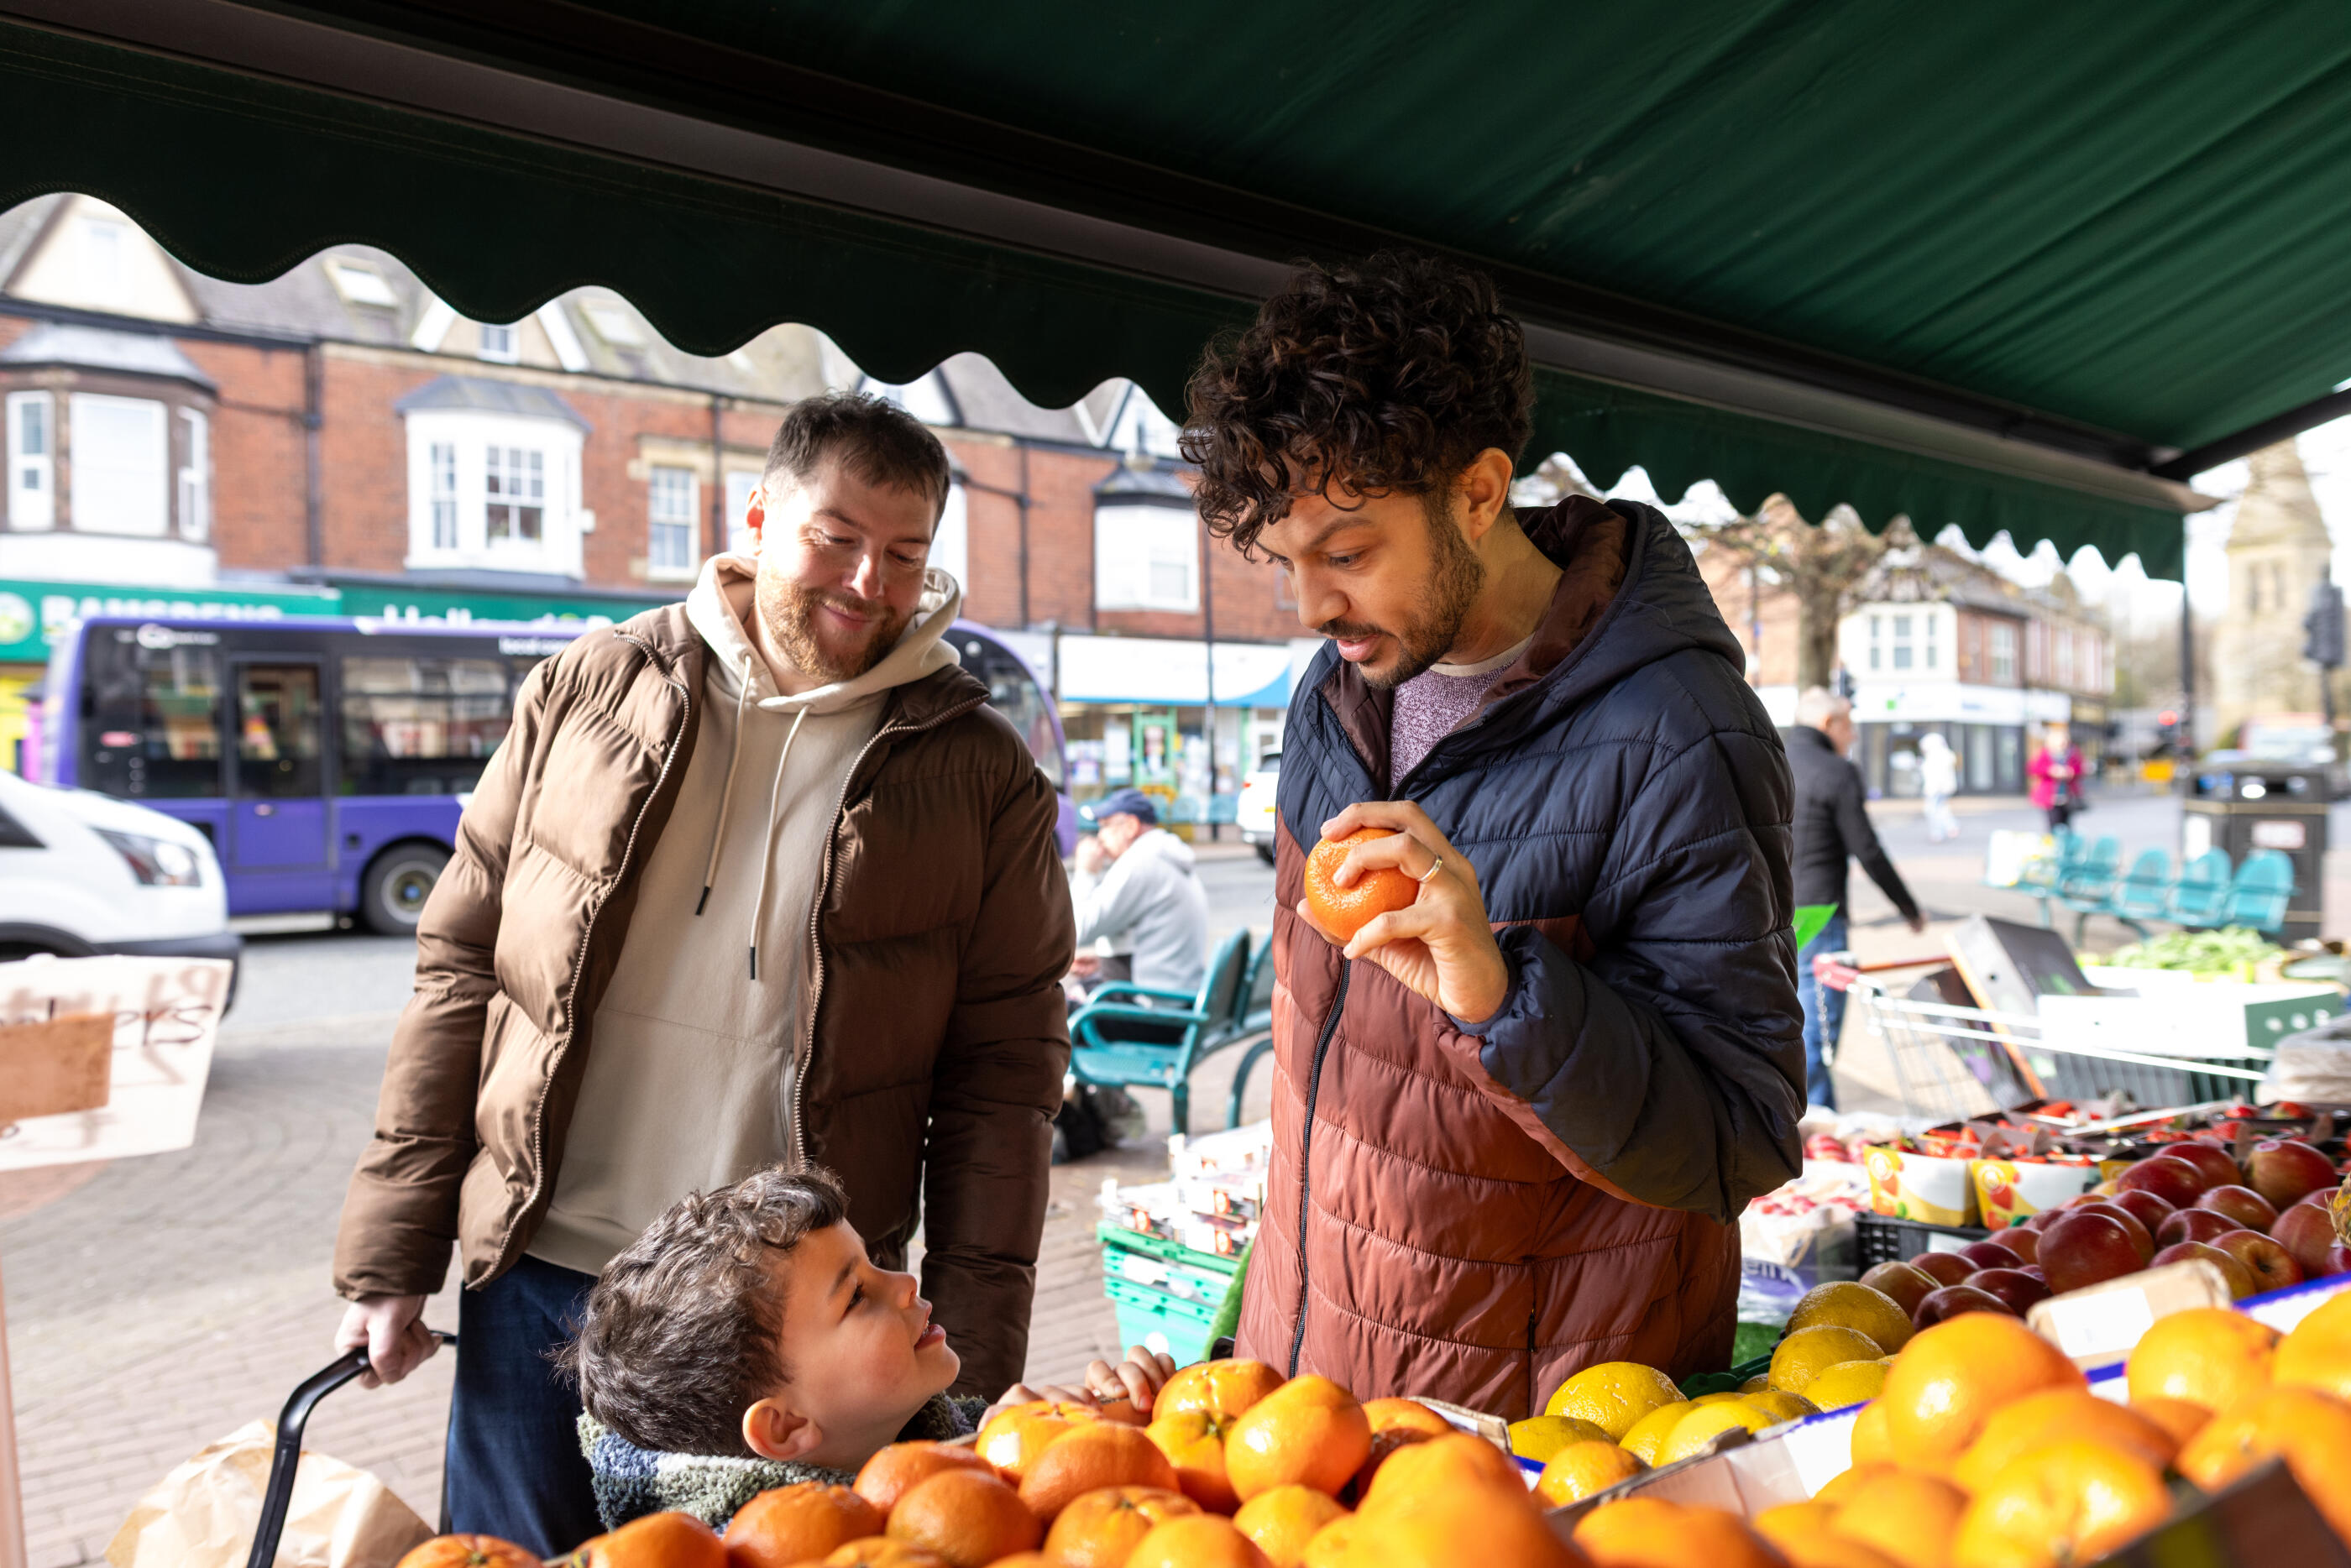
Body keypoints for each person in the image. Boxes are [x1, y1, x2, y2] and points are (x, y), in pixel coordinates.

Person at [328, 393, 1075, 1555]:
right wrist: (394, 1254)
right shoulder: (588, 688)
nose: (870, 582)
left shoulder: (982, 776)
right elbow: (462, 971)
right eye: (837, 537)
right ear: (761, 515)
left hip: (776, 1342)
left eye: (906, 554)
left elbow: (1004, 1085)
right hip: (540, 1268)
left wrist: (971, 1367)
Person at [1181, 251, 1804, 1417]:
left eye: (1349, 553)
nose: (1312, 607)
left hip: (1531, 1436)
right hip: (1309, 1395)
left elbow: (1739, 1139)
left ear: (1477, 492)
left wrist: (1499, 989)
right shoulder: (1331, 699)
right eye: (1286, 564)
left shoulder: (1683, 731)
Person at [562, 1165, 1172, 1533]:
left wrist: (1122, 1437)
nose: (905, 1285)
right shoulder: (775, 1551)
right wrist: (992, 1479)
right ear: (785, 1424)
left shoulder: (940, 1431)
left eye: (876, 1263)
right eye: (857, 1297)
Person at [1786, 687, 1927, 1111]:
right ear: (1829, 724)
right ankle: (1814, 1120)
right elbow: (1867, 849)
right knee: (1819, 1027)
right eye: (1850, 726)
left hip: (1771, 911)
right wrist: (1908, 907)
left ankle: (1796, 1118)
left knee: (1785, 1017)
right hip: (1821, 913)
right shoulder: (1836, 771)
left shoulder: (1766, 757)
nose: (1854, 737)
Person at [1068, 787, 1211, 999]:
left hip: (1152, 1006)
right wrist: (1102, 961)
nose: (1100, 838)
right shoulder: (1164, 855)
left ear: (1131, 826)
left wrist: (1085, 872)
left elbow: (1074, 930)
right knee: (1076, 995)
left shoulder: (1140, 863)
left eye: (1105, 826)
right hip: (1176, 995)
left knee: (1054, 1010)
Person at [2029, 721, 2085, 833]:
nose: (2062, 744)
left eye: (2064, 741)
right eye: (2060, 742)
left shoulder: (2073, 753)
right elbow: (2033, 769)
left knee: (2067, 826)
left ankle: (2066, 847)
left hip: (2068, 796)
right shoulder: (2044, 754)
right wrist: (2051, 771)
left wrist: (2071, 772)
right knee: (2053, 825)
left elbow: (2080, 768)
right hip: (2050, 796)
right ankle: (2054, 847)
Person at [1918, 732, 1960, 843]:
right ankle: (1951, 827)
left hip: (1936, 789)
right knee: (1941, 808)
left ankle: (1938, 833)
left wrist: (1934, 789)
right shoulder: (1946, 755)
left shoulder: (1935, 757)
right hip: (1942, 788)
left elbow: (1934, 775)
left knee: (1932, 810)